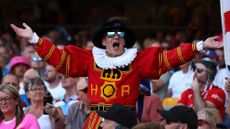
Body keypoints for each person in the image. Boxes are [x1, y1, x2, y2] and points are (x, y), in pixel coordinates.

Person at [11, 17, 222, 129]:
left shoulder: (137, 60)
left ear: (125, 40)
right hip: (95, 120)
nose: (116, 37)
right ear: (104, 40)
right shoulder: (91, 58)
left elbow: (166, 59)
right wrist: (34, 39)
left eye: (120, 34)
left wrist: (199, 46)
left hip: (125, 121)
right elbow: (60, 59)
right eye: (111, 34)